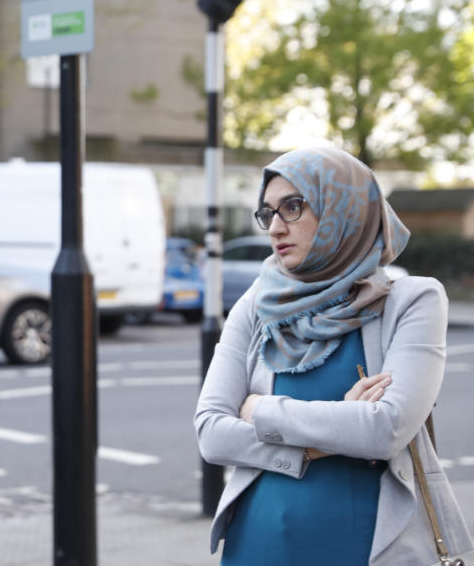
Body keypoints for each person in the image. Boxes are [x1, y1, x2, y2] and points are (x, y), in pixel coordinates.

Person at [194, 146, 473, 565]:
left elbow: (386, 430)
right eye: (268, 212)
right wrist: (327, 435)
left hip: (370, 548)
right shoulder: (257, 304)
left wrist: (262, 411)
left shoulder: (414, 300)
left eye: (293, 206)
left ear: (344, 208)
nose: (274, 227)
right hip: (257, 544)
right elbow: (211, 434)